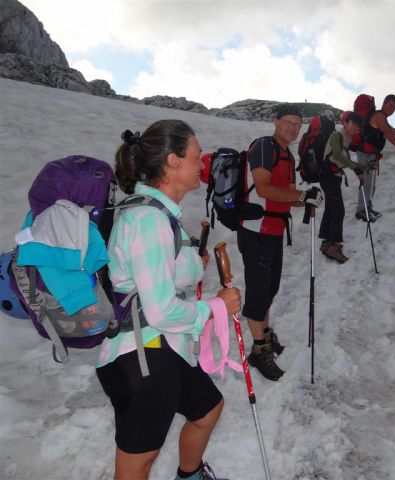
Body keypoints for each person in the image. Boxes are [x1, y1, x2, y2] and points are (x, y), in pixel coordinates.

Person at [96, 119, 242, 480]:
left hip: (162, 348)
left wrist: (193, 263)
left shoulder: (156, 215)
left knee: (207, 409)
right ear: (173, 162)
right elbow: (160, 309)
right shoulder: (148, 219)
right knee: (137, 464)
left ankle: (190, 475)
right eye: (196, 155)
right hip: (142, 357)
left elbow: (158, 274)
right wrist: (216, 307)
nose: (202, 163)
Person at [238, 104, 324, 381]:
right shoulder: (265, 146)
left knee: (269, 287)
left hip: (273, 230)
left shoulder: (286, 154)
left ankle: (264, 334)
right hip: (256, 229)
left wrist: (305, 198)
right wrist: (300, 194)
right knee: (258, 291)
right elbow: (263, 188)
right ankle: (259, 349)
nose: (293, 128)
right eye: (288, 122)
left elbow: (284, 195)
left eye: (297, 124)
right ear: (275, 122)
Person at [355, 94, 395, 222]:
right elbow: (387, 134)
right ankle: (362, 210)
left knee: (370, 184)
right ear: (384, 103)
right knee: (367, 183)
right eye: (391, 105)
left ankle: (367, 207)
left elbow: (391, 130)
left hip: (371, 154)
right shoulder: (379, 116)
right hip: (366, 153)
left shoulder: (381, 117)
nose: (392, 109)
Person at [319, 112, 367, 263]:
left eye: (357, 126)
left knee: (331, 208)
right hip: (328, 176)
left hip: (333, 176)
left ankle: (326, 243)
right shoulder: (336, 135)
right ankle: (334, 246)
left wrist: (362, 167)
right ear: (345, 123)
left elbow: (343, 159)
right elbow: (338, 156)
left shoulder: (346, 138)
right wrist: (356, 168)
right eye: (353, 123)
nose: (355, 127)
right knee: (338, 210)